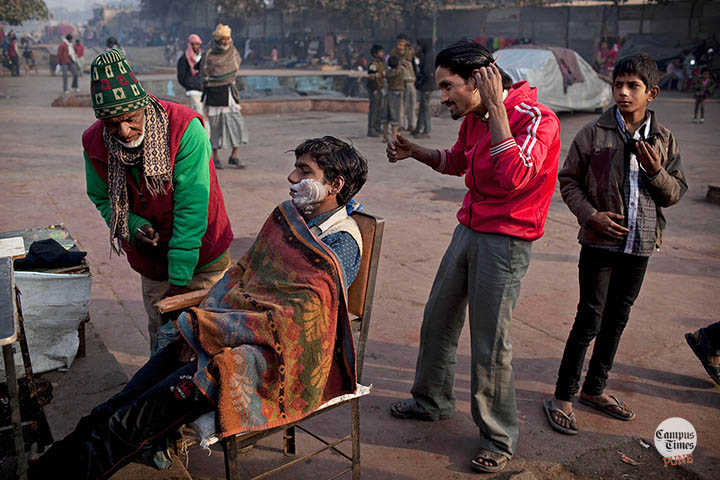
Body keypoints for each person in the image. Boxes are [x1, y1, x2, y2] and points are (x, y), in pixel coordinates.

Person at [28, 136, 368, 480]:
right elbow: (242, 275)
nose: (292, 178)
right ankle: (45, 469)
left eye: (303, 170)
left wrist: (214, 338)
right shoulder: (289, 217)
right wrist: (205, 326)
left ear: (334, 185)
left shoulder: (340, 244)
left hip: (265, 360)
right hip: (223, 333)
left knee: (126, 425)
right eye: (295, 168)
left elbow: (294, 321)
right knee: (118, 404)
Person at [386, 40, 561, 474]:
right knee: (438, 317)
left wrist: (498, 113)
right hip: (469, 229)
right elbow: (459, 162)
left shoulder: (537, 119)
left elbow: (516, 175)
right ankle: (432, 401)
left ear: (481, 80)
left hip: (505, 242)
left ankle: (499, 437)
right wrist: (416, 152)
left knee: (490, 343)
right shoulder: (475, 118)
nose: (443, 97)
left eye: (449, 87)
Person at [544, 53, 687, 436]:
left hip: (640, 246)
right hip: (599, 244)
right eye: (617, 85)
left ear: (651, 92)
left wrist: (656, 170)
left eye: (633, 86)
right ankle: (562, 395)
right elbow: (569, 180)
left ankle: (595, 389)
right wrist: (590, 215)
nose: (622, 93)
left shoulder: (664, 139)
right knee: (589, 318)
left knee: (617, 320)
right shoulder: (593, 133)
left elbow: (674, 194)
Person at [80, 49, 233, 350]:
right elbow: (101, 197)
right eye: (112, 125)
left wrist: (178, 282)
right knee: (163, 343)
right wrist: (132, 224)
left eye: (130, 119)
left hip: (203, 255)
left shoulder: (183, 128)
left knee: (211, 344)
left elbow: (192, 204)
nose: (123, 132)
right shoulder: (94, 141)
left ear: (143, 105)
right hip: (152, 262)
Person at [199, 24, 249, 170]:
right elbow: (204, 72)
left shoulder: (233, 52)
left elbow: (235, 66)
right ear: (218, 40)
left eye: (228, 38)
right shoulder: (208, 54)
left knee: (237, 126)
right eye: (224, 39)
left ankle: (234, 156)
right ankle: (215, 158)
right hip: (214, 95)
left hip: (229, 94)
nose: (226, 41)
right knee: (215, 129)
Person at [390, 34, 416, 130]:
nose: (400, 44)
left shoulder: (409, 51)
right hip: (399, 81)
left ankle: (411, 124)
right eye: (399, 42)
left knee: (411, 104)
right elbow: (392, 64)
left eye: (402, 42)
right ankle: (401, 124)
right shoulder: (393, 52)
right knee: (400, 104)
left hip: (410, 80)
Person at [411, 40, 435, 138]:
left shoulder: (428, 57)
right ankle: (418, 128)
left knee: (425, 108)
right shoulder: (426, 55)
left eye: (419, 46)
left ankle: (426, 130)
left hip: (427, 86)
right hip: (425, 86)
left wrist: (420, 82)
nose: (418, 48)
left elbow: (427, 73)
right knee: (422, 108)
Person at [177, 33, 205, 115]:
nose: (195, 46)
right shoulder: (184, 58)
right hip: (192, 91)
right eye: (193, 44)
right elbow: (181, 76)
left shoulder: (203, 56)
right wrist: (189, 84)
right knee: (199, 113)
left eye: (197, 44)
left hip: (204, 89)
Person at [366, 44, 386, 138]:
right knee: (373, 110)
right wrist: (373, 89)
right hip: (375, 89)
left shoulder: (380, 63)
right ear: (375, 53)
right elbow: (371, 78)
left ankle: (378, 127)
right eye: (380, 52)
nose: (382, 53)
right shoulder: (373, 65)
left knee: (379, 109)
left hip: (380, 88)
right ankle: (371, 129)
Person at [385, 55, 406, 141]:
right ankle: (394, 134)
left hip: (389, 92)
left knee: (387, 114)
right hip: (397, 93)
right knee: (395, 113)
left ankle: (385, 135)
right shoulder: (400, 71)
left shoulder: (388, 72)